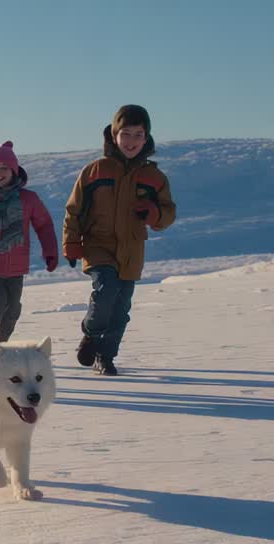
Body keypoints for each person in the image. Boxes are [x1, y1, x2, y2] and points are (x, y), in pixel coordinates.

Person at [62, 104, 177, 375]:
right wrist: (71, 241)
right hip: (98, 245)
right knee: (105, 292)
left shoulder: (154, 177)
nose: (132, 141)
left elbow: (169, 212)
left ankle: (106, 356)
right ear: (114, 135)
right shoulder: (95, 171)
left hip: (131, 250)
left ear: (147, 138)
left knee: (121, 308)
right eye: (126, 134)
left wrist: (154, 213)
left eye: (138, 135)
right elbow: (73, 209)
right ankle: (91, 334)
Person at [0, 141, 59, 347]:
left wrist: (50, 251)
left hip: (16, 267)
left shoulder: (29, 199)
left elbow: (43, 225)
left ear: (14, 170)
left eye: (4, 168)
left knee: (13, 310)